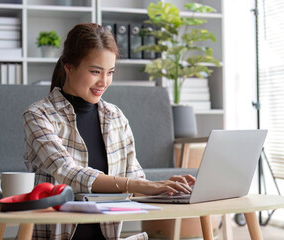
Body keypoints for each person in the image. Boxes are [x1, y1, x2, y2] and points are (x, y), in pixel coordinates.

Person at [23, 23, 195, 240]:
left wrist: (166, 188)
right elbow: (67, 172)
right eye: (95, 71)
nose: (103, 82)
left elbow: (134, 181)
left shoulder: (116, 117)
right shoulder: (39, 115)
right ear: (69, 66)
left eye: (110, 72)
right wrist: (144, 185)